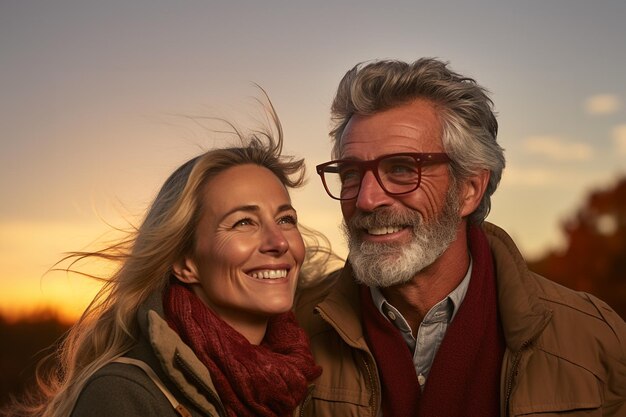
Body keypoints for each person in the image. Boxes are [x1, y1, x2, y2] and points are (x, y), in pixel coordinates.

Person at [295, 58, 626, 417]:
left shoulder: (594, 339)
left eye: (403, 169)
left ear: (469, 189)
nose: (366, 199)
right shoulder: (292, 332)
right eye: (351, 173)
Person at [4, 102, 322, 417]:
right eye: (243, 222)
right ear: (185, 262)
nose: (279, 241)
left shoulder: (298, 376)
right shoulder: (123, 395)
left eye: (285, 219)